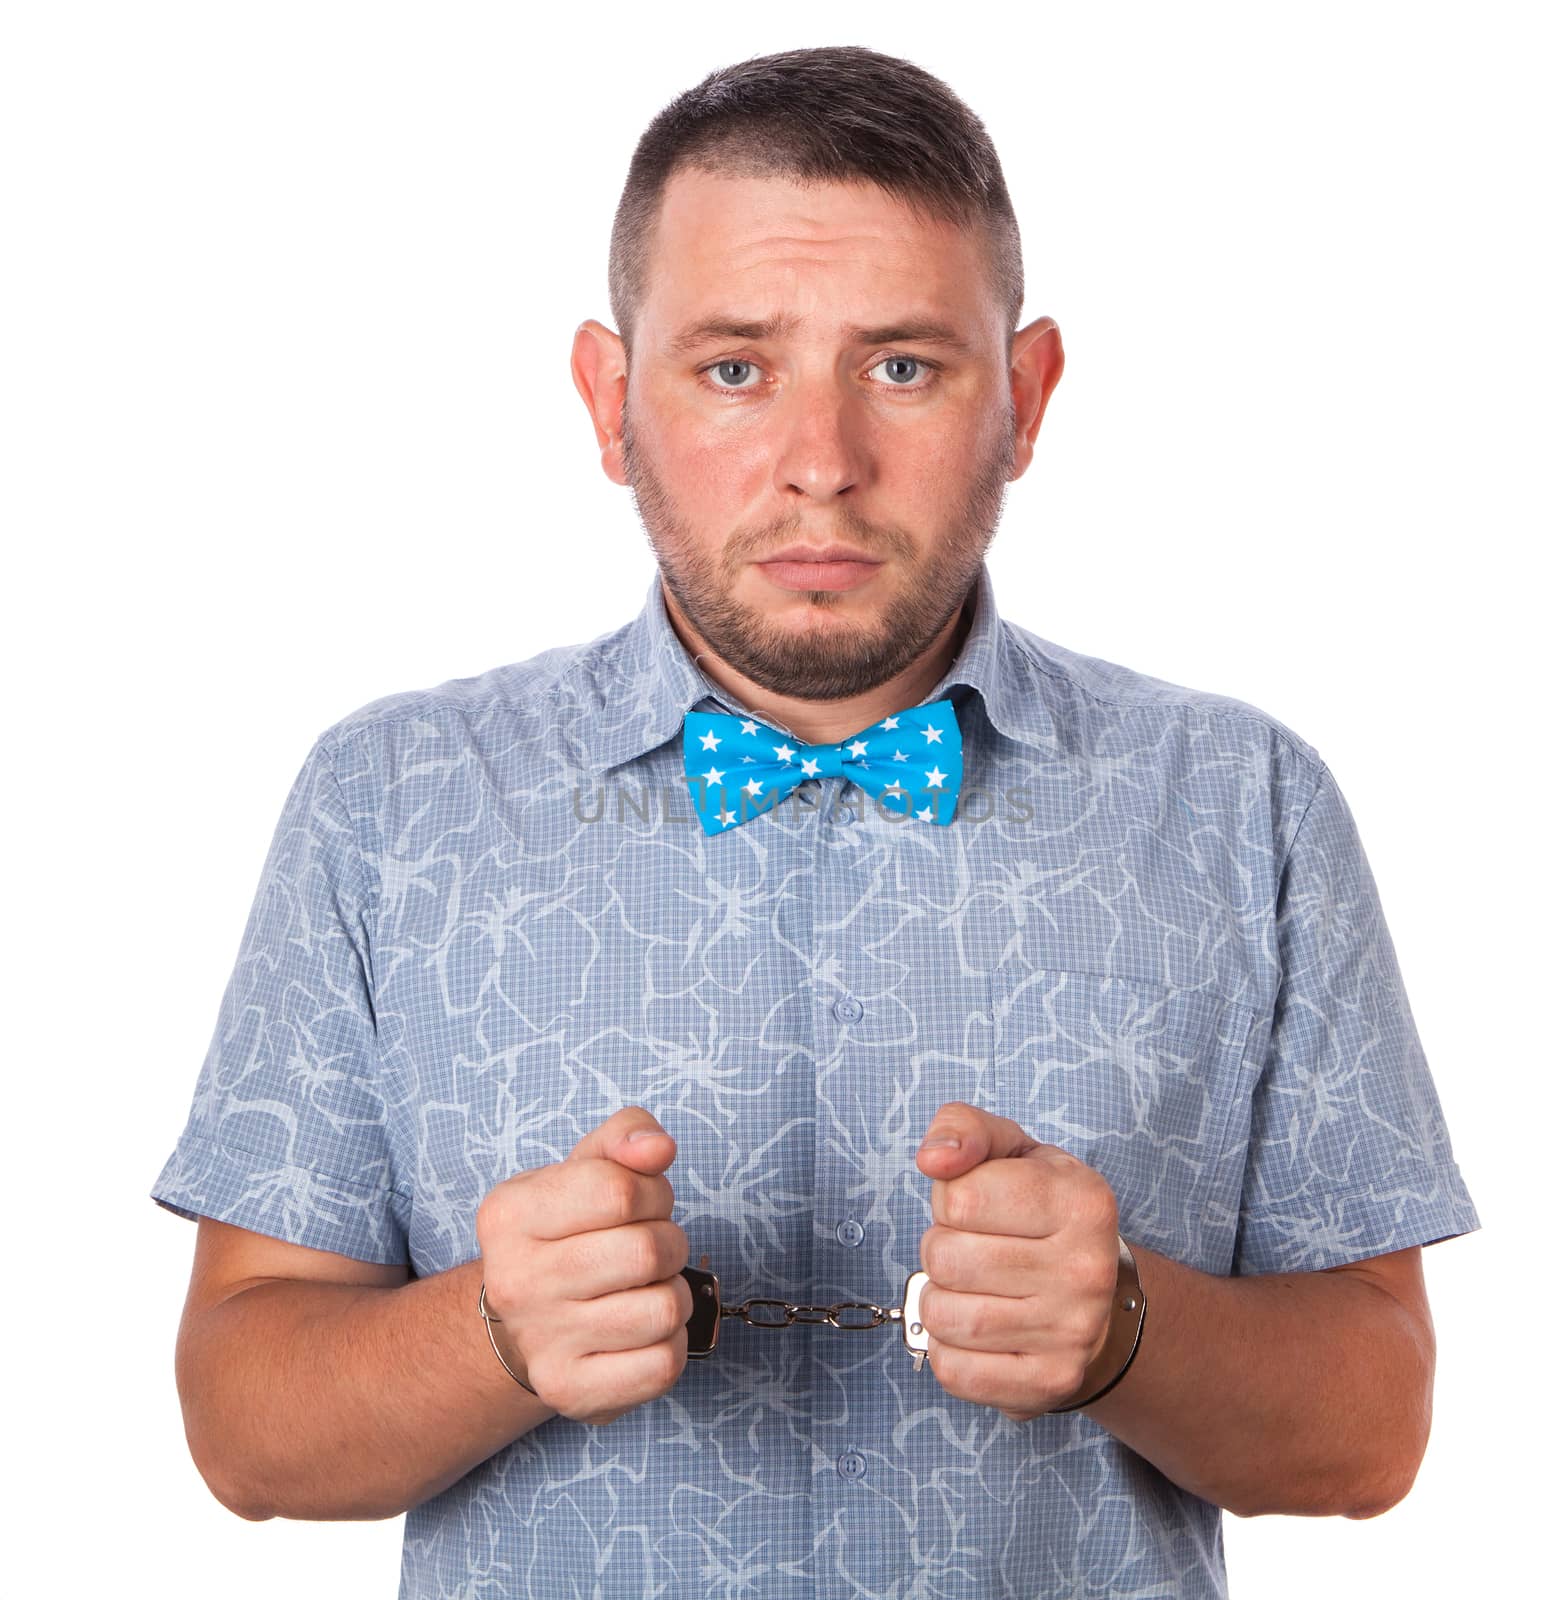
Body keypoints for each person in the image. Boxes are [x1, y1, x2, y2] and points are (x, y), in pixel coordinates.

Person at [149, 43, 1480, 1599]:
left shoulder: (1243, 804)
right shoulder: (391, 803)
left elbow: (1374, 1431)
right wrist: (492, 1337)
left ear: (1028, 396)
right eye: (734, 368)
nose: (821, 465)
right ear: (606, 396)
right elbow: (242, 1431)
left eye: (903, 365)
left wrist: (1131, 1328)